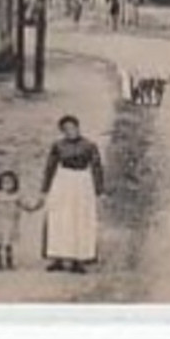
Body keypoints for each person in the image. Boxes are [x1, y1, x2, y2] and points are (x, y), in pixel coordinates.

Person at [42, 115, 104, 273]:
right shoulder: (57, 146)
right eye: (66, 129)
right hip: (63, 181)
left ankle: (79, 259)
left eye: (73, 127)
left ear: (78, 127)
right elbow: (50, 166)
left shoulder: (89, 145)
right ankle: (58, 257)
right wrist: (45, 188)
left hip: (82, 182)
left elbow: (97, 167)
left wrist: (99, 190)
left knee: (80, 219)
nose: (71, 131)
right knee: (59, 218)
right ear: (62, 131)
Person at [0, 170, 44, 271]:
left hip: (12, 224)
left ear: (15, 183)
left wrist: (37, 205)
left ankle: (8, 261)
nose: (7, 185)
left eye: (10, 182)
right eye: (4, 183)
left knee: (8, 243)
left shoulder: (17, 196)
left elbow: (27, 206)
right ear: (0, 184)